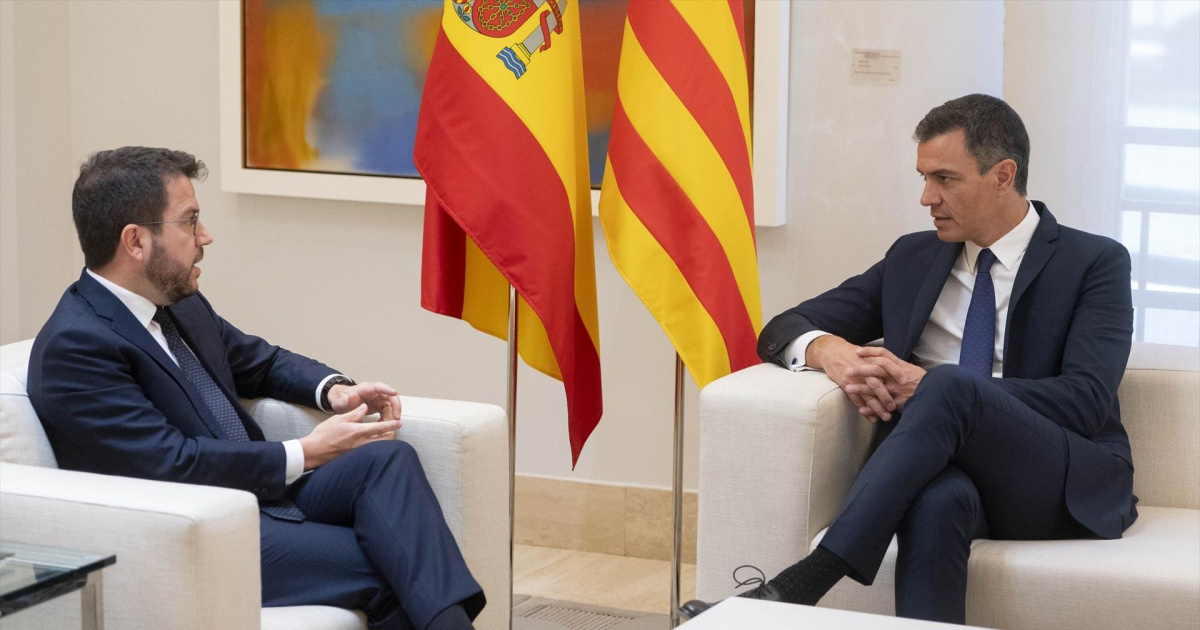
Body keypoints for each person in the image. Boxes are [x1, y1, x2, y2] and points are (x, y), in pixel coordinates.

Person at [682, 94, 1137, 624]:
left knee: (947, 384)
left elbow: (1086, 400)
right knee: (935, 502)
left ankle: (800, 585)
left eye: (945, 179)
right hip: (944, 469)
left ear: (1003, 175)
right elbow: (783, 327)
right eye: (923, 178)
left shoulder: (1094, 262)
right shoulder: (913, 257)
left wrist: (934, 387)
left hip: (1053, 476)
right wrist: (830, 350)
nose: (926, 197)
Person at [27, 147, 485, 630]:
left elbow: (258, 361)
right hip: (199, 532)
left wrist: (335, 391)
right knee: (393, 566)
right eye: (190, 221)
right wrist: (307, 451)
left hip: (258, 493)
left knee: (388, 460)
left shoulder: (178, 303)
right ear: (136, 241)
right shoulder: (76, 346)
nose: (206, 236)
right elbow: (171, 463)